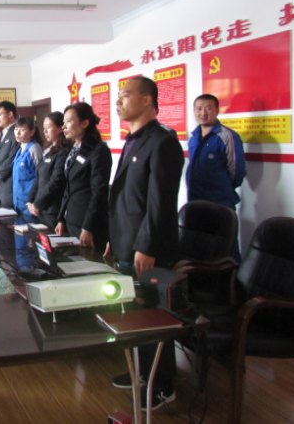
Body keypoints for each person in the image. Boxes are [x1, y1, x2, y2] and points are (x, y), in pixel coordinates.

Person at [104, 76, 184, 412]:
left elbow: (160, 203)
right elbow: (124, 197)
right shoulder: (134, 140)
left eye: (125, 95)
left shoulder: (163, 142)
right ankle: (141, 372)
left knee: (153, 317)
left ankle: (163, 385)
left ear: (148, 99)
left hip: (148, 248)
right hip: (127, 241)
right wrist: (114, 237)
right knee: (135, 314)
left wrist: (147, 246)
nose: (118, 102)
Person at [187, 94, 247, 260]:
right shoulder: (194, 136)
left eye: (208, 108)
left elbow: (237, 171)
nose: (203, 113)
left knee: (226, 247)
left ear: (217, 110)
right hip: (196, 200)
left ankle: (234, 276)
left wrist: (223, 188)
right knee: (200, 245)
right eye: (199, 109)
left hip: (220, 202)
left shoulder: (227, 136)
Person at [55, 104, 112, 250]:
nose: (64, 126)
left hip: (88, 224)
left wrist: (88, 227)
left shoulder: (98, 150)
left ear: (85, 123)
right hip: (72, 219)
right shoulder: (73, 150)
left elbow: (99, 192)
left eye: (69, 121)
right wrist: (61, 218)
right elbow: (68, 187)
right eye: (64, 122)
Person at [27, 112, 72, 229]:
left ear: (60, 129)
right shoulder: (48, 150)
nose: (45, 131)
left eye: (48, 127)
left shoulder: (64, 152)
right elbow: (38, 177)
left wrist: (38, 203)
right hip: (40, 209)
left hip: (52, 209)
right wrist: (30, 200)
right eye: (44, 128)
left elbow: (55, 181)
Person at [0, 101, 21, 208]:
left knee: (8, 215)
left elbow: (12, 157)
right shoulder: (3, 132)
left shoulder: (16, 131)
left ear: (10, 114)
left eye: (0, 114)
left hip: (8, 185)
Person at [12, 117, 44, 220]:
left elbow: (42, 176)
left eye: (22, 129)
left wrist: (36, 201)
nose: (18, 133)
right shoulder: (19, 150)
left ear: (32, 132)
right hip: (18, 203)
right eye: (16, 129)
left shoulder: (34, 149)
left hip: (30, 204)